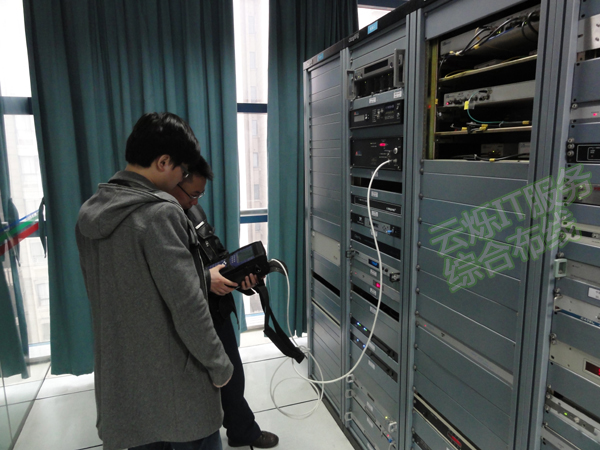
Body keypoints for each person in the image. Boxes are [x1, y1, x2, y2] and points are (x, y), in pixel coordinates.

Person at [75, 113, 233, 450]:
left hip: (126, 382)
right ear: (163, 162)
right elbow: (187, 305)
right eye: (182, 170)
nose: (183, 177)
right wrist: (219, 364)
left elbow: (109, 293)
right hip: (177, 384)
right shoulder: (160, 214)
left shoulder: (90, 212)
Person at [167, 155, 279, 449]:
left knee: (231, 375)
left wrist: (239, 278)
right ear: (172, 179)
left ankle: (241, 431)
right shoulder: (161, 220)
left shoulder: (192, 210)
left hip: (216, 308)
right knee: (205, 384)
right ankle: (237, 431)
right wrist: (207, 279)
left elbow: (215, 255)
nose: (195, 201)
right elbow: (169, 279)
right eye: (192, 193)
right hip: (191, 315)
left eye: (200, 195)